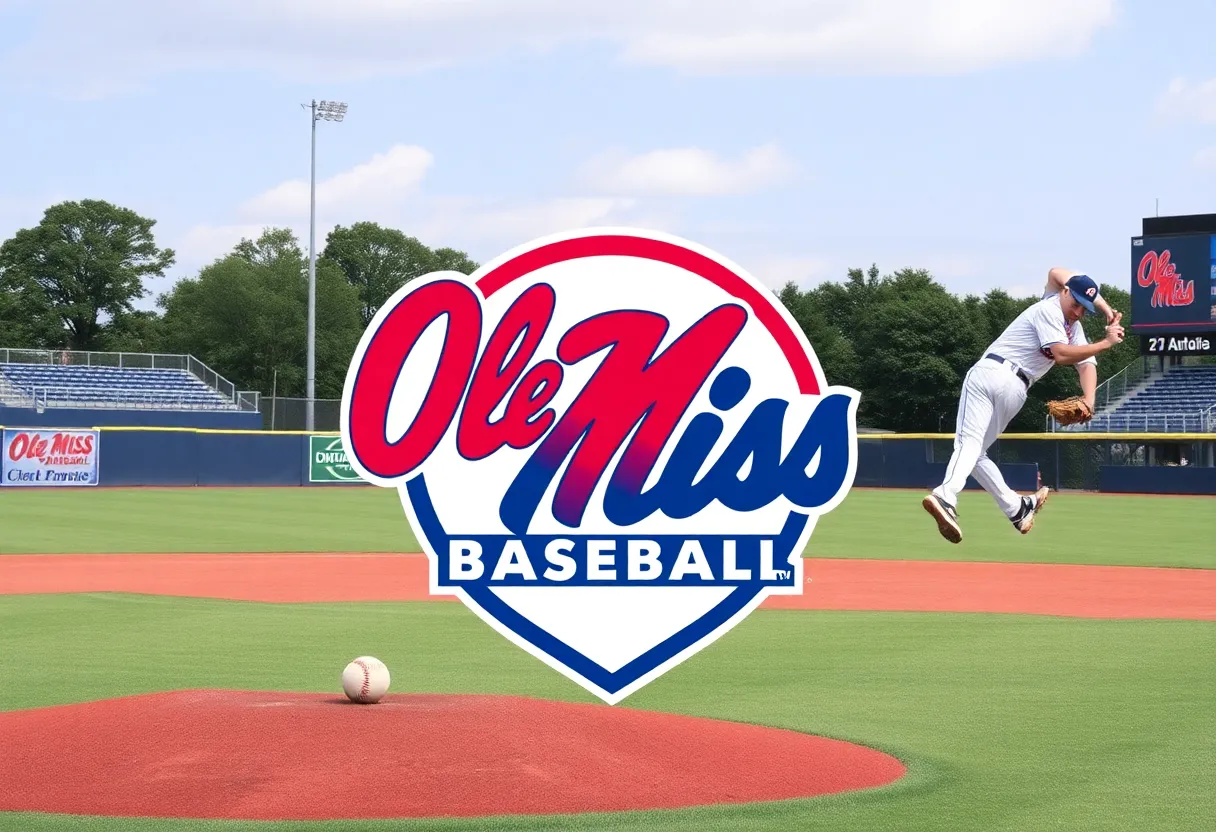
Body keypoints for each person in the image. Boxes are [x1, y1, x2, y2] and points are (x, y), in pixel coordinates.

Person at [922, 268, 1124, 543]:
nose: (1078, 312)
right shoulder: (1049, 307)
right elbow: (1062, 351)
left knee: (969, 447)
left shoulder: (1073, 326)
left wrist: (1089, 400)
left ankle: (946, 497)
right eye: (1076, 303)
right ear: (1065, 292)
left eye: (1084, 309)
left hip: (1007, 384)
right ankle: (1016, 508)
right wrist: (1104, 314)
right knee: (975, 452)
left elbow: (1086, 365)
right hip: (1003, 378)